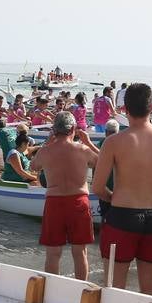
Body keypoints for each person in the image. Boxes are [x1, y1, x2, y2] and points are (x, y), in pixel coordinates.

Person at [92, 84, 152, 295]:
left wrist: (113, 197)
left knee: (114, 285)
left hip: (123, 215)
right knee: (151, 285)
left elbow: (98, 187)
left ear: (125, 109)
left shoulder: (114, 142)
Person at [29, 111, 99, 279]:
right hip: (78, 201)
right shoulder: (82, 149)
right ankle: (81, 290)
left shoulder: (46, 151)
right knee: (80, 252)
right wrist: (88, 142)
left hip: (55, 202)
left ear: (54, 130)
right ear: (73, 128)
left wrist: (47, 143)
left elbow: (33, 166)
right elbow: (103, 161)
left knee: (53, 253)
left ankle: (52, 289)